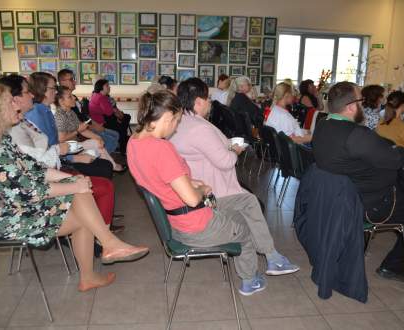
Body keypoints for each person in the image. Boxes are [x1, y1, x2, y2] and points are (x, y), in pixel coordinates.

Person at [127, 89, 299, 296]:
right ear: (166, 117)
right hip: (194, 223)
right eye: (177, 121)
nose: (176, 127)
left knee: (247, 201)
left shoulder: (134, 142)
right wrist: (200, 189)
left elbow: (160, 177)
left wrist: (191, 181)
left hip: (179, 215)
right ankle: (249, 281)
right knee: (244, 231)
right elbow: (191, 200)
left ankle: (272, 258)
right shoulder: (162, 148)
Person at [0, 84, 149, 292]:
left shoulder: (3, 140)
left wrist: (73, 180)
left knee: (82, 201)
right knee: (81, 202)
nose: (17, 106)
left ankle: (101, 256)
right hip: (5, 218)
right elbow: (29, 192)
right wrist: (74, 185)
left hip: (22, 205)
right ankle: (106, 247)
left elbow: (37, 169)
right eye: (10, 101)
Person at [312, 81, 404, 282]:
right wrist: (398, 150)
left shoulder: (323, 125)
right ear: (351, 106)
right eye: (361, 100)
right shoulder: (356, 135)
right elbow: (396, 159)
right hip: (373, 204)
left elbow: (373, 150)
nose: (364, 104)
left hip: (341, 198)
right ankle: (393, 267)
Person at [0, 74, 122, 233]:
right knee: (100, 173)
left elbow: (52, 147)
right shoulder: (31, 115)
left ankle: (102, 222)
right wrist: (72, 157)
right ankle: (100, 229)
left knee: (100, 163)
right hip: (47, 171)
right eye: (53, 88)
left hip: (52, 164)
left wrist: (72, 151)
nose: (56, 92)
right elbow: (44, 155)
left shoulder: (41, 112)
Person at [25, 72, 113, 179]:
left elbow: (55, 144)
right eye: (53, 88)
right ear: (42, 90)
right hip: (53, 163)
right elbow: (43, 153)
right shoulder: (35, 115)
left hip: (61, 156)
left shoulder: (46, 110)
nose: (56, 91)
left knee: (105, 163)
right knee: (104, 167)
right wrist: (74, 158)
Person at [170, 77, 246, 197]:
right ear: (199, 101)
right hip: (213, 190)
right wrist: (235, 150)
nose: (210, 102)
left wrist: (228, 143)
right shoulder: (200, 129)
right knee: (253, 203)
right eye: (208, 98)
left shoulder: (179, 121)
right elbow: (226, 162)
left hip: (191, 183)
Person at [54, 86, 126, 172]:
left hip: (75, 146)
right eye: (70, 96)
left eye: (72, 95)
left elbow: (83, 129)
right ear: (61, 101)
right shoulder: (59, 116)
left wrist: (97, 138)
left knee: (97, 142)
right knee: (98, 145)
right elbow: (61, 139)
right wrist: (78, 131)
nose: (74, 98)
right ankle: (112, 166)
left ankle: (111, 166)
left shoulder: (70, 112)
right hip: (67, 151)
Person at [57, 69, 120, 154]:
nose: (74, 82)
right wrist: (94, 128)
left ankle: (106, 157)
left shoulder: (73, 99)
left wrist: (95, 125)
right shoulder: (63, 105)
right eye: (71, 79)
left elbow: (84, 117)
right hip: (78, 134)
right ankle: (103, 158)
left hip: (86, 127)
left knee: (115, 134)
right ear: (62, 81)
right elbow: (78, 126)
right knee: (111, 139)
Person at [89, 79, 130, 155]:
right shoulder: (102, 98)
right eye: (107, 86)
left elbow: (110, 111)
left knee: (125, 120)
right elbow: (109, 112)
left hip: (98, 121)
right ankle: (122, 147)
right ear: (101, 87)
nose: (109, 87)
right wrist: (115, 110)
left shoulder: (95, 95)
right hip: (101, 123)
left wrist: (115, 110)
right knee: (123, 125)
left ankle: (122, 143)